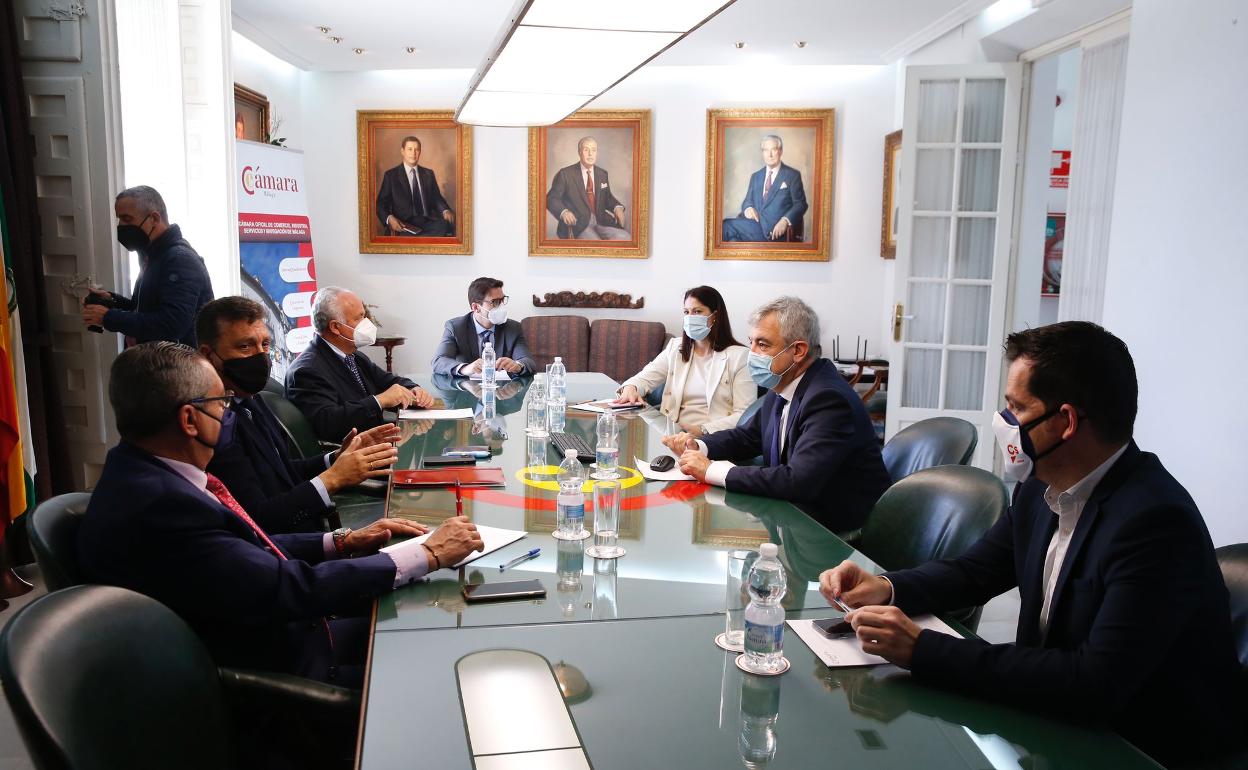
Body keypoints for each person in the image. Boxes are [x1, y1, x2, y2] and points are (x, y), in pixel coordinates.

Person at [818, 322, 1243, 768]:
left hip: (1142, 748)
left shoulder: (1154, 523)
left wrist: (923, 649)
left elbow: (1092, 683)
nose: (1004, 424)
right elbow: (975, 571)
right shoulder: (1041, 490)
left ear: (1065, 422)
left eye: (1016, 408)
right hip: (1052, 723)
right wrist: (886, 588)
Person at [78, 341, 484, 687]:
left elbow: (240, 549)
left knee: (429, 620)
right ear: (189, 419)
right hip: (280, 671)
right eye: (221, 402)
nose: (229, 411)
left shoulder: (144, 470)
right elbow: (290, 589)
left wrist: (340, 540)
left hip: (277, 634)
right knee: (442, 657)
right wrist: (427, 554)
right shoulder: (162, 505)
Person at [668, 296, 889, 534]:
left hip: (841, 535)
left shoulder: (828, 399)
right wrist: (698, 446)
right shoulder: (784, 382)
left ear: (798, 351)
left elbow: (798, 481)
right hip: (797, 520)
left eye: (762, 345)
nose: (751, 353)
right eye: (751, 342)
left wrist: (711, 470)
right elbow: (748, 437)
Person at [197, 297, 400, 534]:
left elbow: (283, 471)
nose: (259, 355)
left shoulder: (250, 399)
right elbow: (259, 520)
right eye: (245, 346)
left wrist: (336, 458)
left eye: (265, 344)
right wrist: (333, 479)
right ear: (208, 355)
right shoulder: (213, 421)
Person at [285, 286, 435, 442]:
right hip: (350, 455)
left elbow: (388, 381)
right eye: (359, 318)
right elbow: (328, 424)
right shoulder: (307, 370)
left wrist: (414, 389)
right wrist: (380, 400)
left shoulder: (353, 355)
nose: (367, 323)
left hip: (376, 442)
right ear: (335, 327)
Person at [613, 286, 755, 436]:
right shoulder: (676, 347)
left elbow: (745, 415)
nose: (690, 317)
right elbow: (645, 378)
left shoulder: (741, 356)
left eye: (697, 311)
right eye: (686, 312)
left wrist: (703, 429)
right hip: (671, 434)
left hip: (713, 438)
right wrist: (631, 387)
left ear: (715, 316)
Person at [81, 185, 214, 346]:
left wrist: (108, 317)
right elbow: (145, 308)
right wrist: (112, 300)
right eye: (119, 219)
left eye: (127, 219)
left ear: (154, 219)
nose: (121, 226)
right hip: (153, 361)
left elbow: (171, 324)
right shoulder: (151, 255)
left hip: (175, 367)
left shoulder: (180, 260)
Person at [430, 277, 536, 377]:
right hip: (465, 391)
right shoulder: (455, 327)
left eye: (502, 300)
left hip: (501, 391)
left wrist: (518, 366)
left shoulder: (512, 328)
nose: (501, 306)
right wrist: (465, 368)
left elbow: (528, 361)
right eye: (495, 302)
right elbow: (439, 361)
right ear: (476, 307)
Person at [721, 135, 808, 242]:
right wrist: (749, 209)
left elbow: (801, 204)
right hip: (755, 227)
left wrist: (785, 221)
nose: (770, 154)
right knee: (726, 227)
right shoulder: (756, 176)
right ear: (762, 153)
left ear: (780, 151)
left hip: (775, 232)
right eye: (766, 150)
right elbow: (747, 201)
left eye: (774, 149)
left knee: (729, 230)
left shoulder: (792, 175)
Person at [545, 136, 629, 240]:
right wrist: (564, 212)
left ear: (597, 153)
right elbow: (551, 198)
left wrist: (618, 208)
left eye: (593, 150)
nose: (590, 154)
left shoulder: (602, 174)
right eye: (586, 150)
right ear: (579, 152)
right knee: (594, 245)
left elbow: (607, 198)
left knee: (625, 237)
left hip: (602, 221)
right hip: (578, 224)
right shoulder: (565, 174)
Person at [375, 135, 455, 237]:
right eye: (410, 149)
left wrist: (445, 210)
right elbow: (381, 204)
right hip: (404, 224)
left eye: (417, 150)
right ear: (402, 151)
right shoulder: (391, 175)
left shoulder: (428, 174)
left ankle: (420, 240)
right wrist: (389, 218)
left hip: (427, 222)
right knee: (412, 237)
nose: (413, 153)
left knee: (444, 226)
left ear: (420, 152)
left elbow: (436, 198)